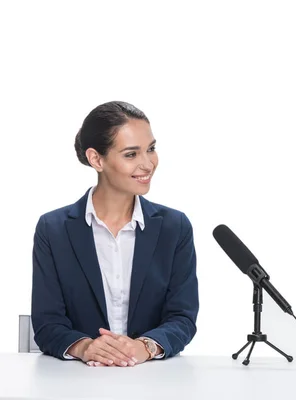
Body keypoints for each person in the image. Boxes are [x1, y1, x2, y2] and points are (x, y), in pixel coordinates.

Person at [32, 101, 199, 367]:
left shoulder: (174, 227)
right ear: (96, 159)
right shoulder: (54, 229)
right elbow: (47, 323)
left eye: (151, 149)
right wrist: (87, 347)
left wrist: (143, 347)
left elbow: (182, 318)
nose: (148, 164)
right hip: (77, 381)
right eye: (131, 154)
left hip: (154, 380)